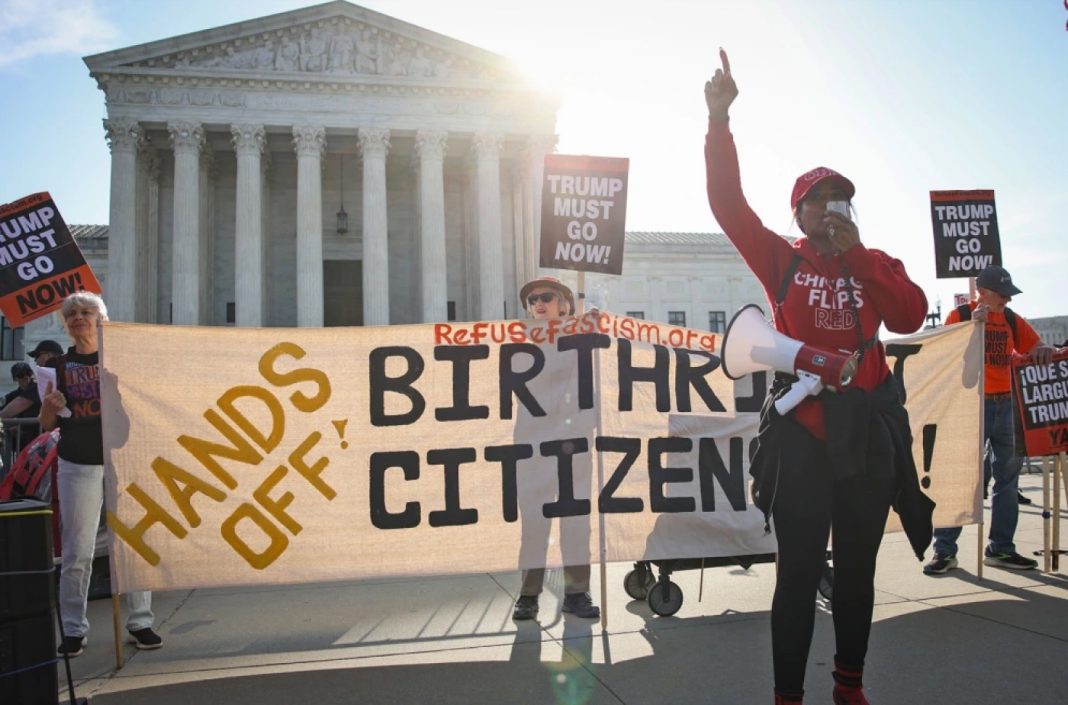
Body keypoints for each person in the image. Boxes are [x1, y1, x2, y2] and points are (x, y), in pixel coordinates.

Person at [704, 49, 933, 705]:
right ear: (799, 212)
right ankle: (787, 694)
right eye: (820, 199)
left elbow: (910, 312)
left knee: (859, 568)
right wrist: (719, 121)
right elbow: (727, 203)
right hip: (802, 435)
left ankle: (849, 684)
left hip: (866, 434)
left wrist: (857, 255)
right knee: (799, 570)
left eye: (842, 199)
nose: (832, 206)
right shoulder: (781, 258)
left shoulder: (876, 261)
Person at [39, 292, 163, 657]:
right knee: (78, 548)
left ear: (101, 318)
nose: (79, 317)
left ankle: (140, 621)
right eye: (72, 314)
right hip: (78, 463)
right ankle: (74, 628)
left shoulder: (122, 361)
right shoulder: (56, 368)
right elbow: (45, 427)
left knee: (134, 542)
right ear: (66, 323)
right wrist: (48, 406)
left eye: (86, 311)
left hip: (123, 461)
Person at [924, 265, 1053, 575]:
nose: (1008, 300)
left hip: (1007, 404)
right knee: (959, 478)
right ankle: (944, 551)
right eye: (1003, 295)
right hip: (972, 404)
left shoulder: (1010, 319)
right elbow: (948, 355)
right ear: (983, 293)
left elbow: (1034, 346)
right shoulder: (960, 316)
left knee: (1008, 480)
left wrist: (1043, 351)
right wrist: (972, 327)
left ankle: (1001, 548)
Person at [511, 275, 600, 621]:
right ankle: (528, 595)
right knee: (534, 520)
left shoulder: (583, 336)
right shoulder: (518, 341)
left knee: (576, 519)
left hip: (574, 441)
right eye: (532, 300)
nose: (537, 303)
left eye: (545, 296)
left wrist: (595, 327)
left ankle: (577, 593)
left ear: (564, 302)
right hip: (533, 443)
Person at [1, 362, 42, 454]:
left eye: (28, 373)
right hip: (22, 443)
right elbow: (3, 417)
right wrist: (11, 427)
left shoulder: (41, 389)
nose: (25, 376)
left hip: (41, 439)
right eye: (20, 375)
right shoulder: (10, 397)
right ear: (15, 378)